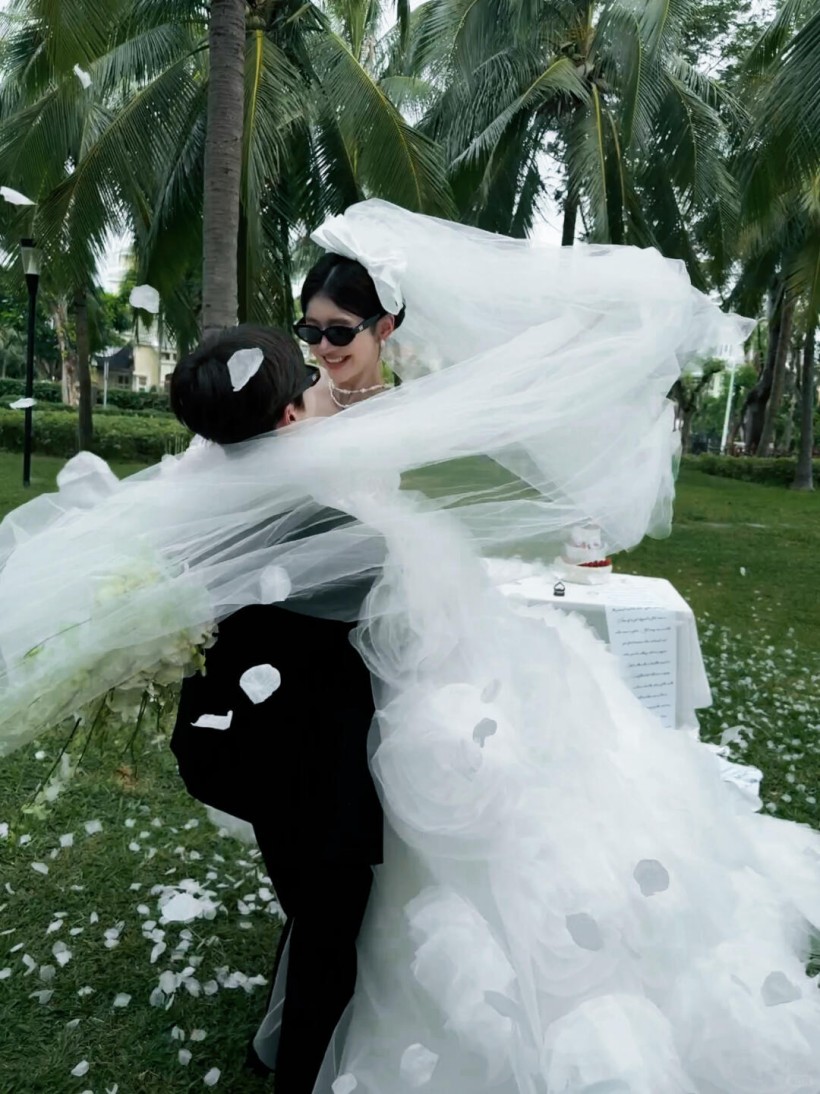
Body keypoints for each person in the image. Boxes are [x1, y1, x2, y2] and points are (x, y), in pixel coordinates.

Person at [0, 200, 819, 1092]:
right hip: (325, 669)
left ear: (385, 328)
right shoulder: (279, 409)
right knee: (328, 858)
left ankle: (347, 986)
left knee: (383, 843)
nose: (323, 348)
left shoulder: (410, 413)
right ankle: (316, 997)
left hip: (377, 649)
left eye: (340, 332)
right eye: (309, 331)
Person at [167, 324, 385, 1094]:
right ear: (291, 416)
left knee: (303, 899)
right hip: (315, 772)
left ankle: (279, 1033)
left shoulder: (197, 503)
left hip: (241, 753)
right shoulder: (329, 526)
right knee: (330, 933)